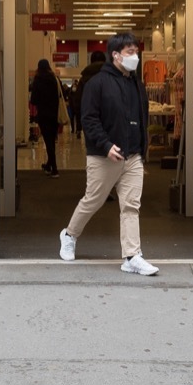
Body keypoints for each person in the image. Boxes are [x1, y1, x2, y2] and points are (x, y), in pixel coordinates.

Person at [58, 33, 159, 275]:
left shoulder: (137, 85)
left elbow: (141, 118)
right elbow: (89, 119)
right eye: (129, 52)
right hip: (104, 156)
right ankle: (69, 235)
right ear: (115, 55)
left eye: (136, 52)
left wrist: (141, 149)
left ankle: (132, 256)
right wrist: (105, 145)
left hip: (132, 156)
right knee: (93, 200)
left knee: (131, 206)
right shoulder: (97, 84)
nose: (135, 57)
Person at [29, 58, 62, 177]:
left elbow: (33, 100)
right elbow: (60, 95)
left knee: (48, 141)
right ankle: (49, 165)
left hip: (43, 114)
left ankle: (55, 169)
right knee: (51, 140)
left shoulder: (38, 80)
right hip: (54, 114)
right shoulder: (54, 79)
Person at [70, 50, 106, 140]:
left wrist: (80, 117)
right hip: (109, 119)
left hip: (90, 119)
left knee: (92, 145)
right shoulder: (112, 76)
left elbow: (78, 100)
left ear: (91, 61)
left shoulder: (84, 78)